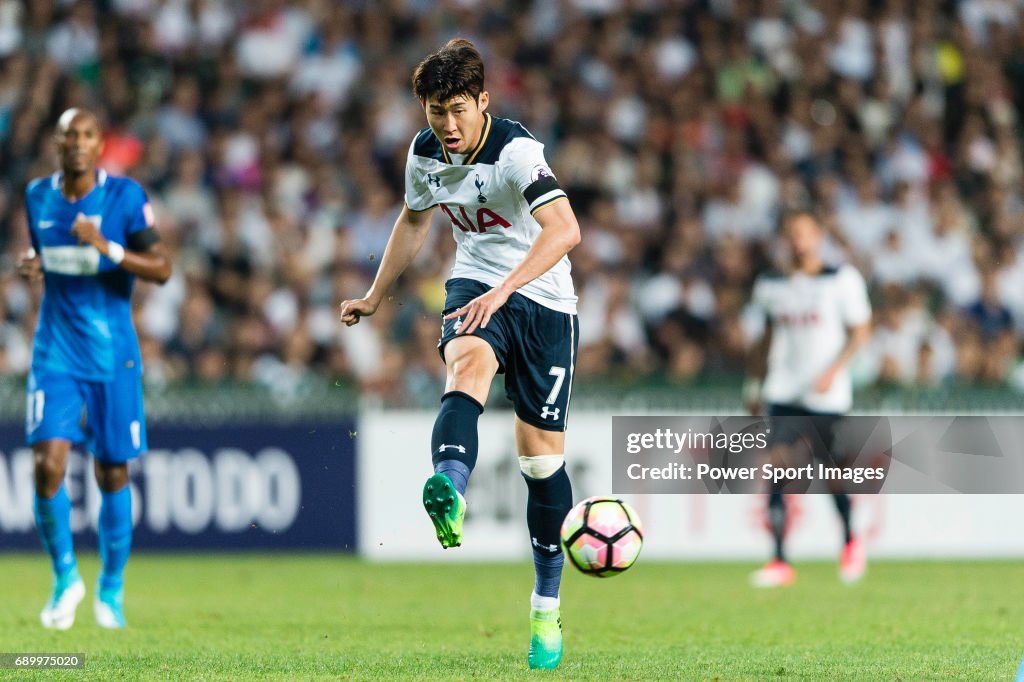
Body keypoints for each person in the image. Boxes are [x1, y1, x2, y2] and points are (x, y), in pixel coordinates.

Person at [340, 39, 581, 670]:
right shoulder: (425, 154)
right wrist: (374, 294)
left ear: (483, 101)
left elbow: (566, 230)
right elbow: (415, 221)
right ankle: (448, 485)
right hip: (475, 285)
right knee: (466, 360)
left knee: (539, 466)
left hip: (545, 300)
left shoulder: (517, 153)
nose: (446, 126)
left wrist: (508, 290)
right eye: (434, 112)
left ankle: (546, 609)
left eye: (456, 110)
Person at [17, 108, 172, 629]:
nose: (77, 143)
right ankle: (66, 579)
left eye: (86, 135)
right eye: (68, 136)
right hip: (54, 350)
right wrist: (34, 264)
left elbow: (163, 269)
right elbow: (46, 255)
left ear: (99, 143)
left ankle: (111, 588)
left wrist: (108, 246)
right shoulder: (37, 195)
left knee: (111, 471)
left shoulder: (125, 198)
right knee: (46, 467)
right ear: (57, 144)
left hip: (112, 354)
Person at [744, 211, 871, 587]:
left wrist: (835, 370)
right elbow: (764, 338)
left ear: (818, 236)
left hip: (827, 395)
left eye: (803, 233)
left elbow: (861, 331)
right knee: (776, 469)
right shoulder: (771, 284)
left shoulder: (840, 279)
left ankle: (850, 541)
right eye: (791, 234)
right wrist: (753, 385)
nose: (797, 240)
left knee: (832, 473)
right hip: (784, 391)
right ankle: (780, 560)